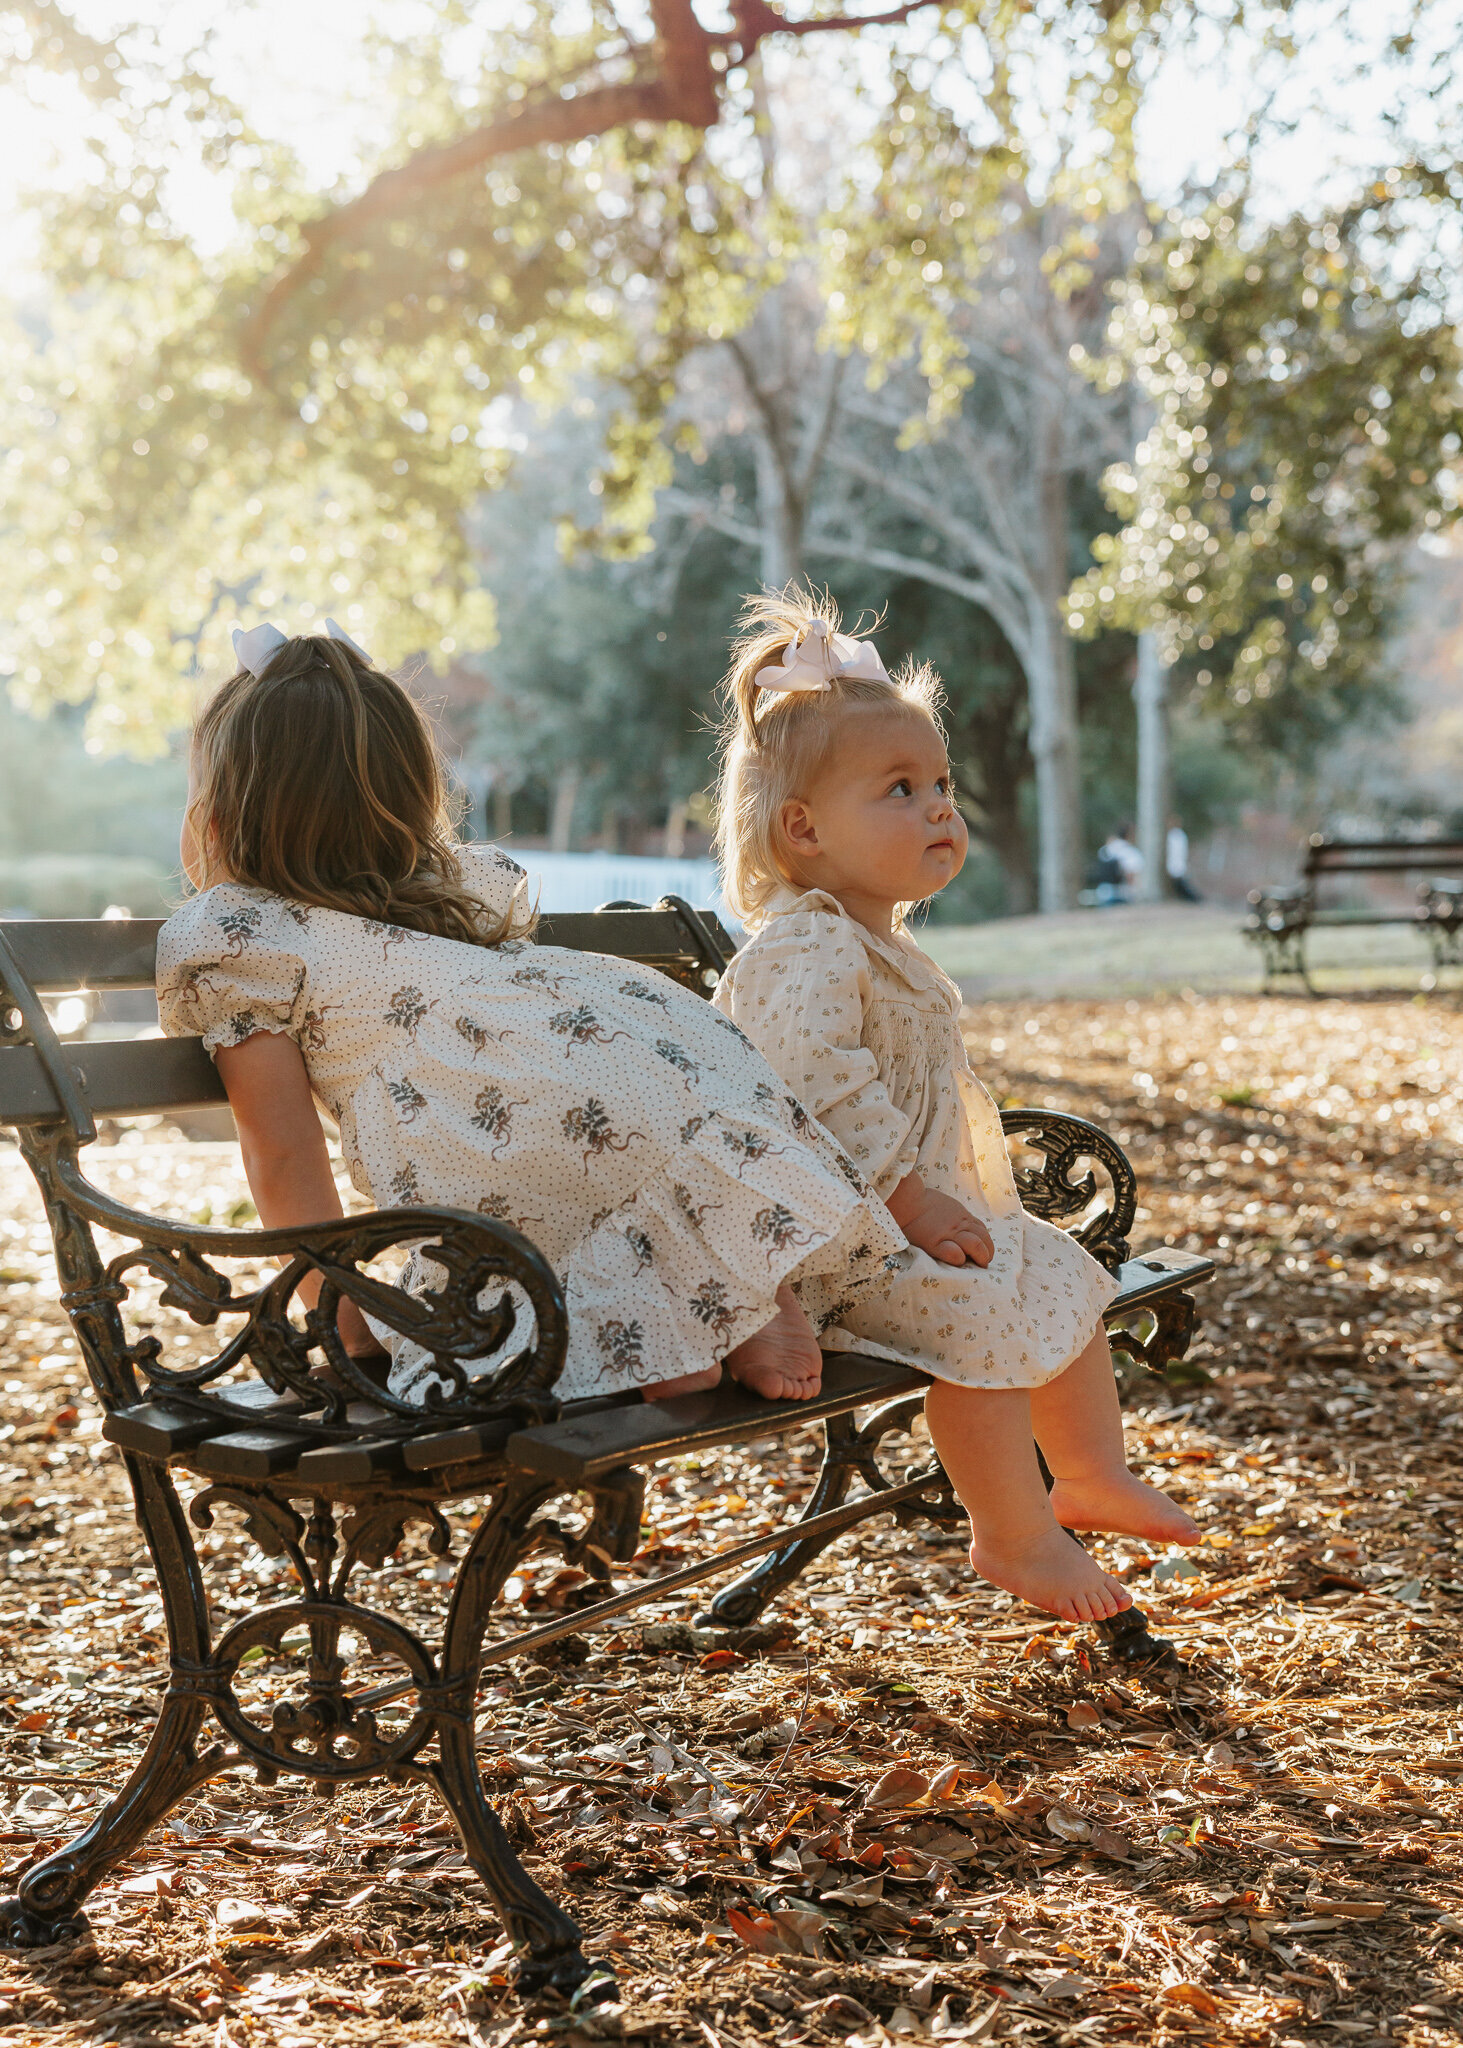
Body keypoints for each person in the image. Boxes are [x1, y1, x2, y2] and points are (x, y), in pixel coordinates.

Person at [157, 620, 914, 1411]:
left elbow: (282, 1153)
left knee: (527, 1195)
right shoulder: (449, 892)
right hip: (631, 1036)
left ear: (219, 816)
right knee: (606, 1155)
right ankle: (742, 1301)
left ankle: (667, 1340)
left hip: (491, 1112)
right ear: (410, 795)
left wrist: (339, 1316)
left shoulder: (241, 935)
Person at [711, 589, 1198, 1623]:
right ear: (800, 829)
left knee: (1062, 1271)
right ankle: (1011, 1535)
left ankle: (1086, 1474)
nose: (939, 806)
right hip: (828, 1248)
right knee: (978, 1316)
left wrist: (942, 1203)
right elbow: (816, 1089)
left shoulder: (878, 942)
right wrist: (910, 1196)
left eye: (939, 782)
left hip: (909, 1225)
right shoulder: (804, 947)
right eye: (898, 788)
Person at [1094, 823, 1143, 905]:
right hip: (1121, 892)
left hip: (1103, 889)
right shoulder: (1130, 852)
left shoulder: (1106, 848)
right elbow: (1130, 873)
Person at [1166, 814, 1201, 902]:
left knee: (1182, 886)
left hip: (1176, 866)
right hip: (1178, 865)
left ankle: (1195, 899)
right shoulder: (1179, 835)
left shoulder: (1176, 835)